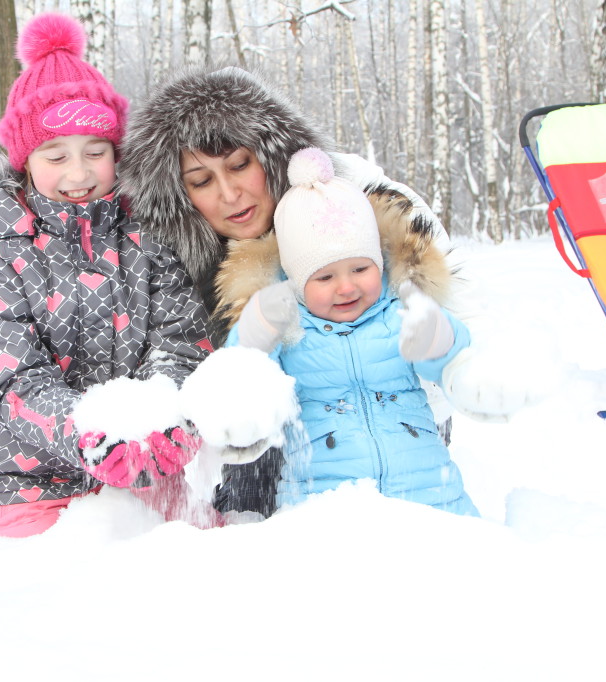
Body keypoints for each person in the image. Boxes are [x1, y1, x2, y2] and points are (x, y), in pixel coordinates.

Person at [118, 65, 455, 518]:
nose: (231, 193)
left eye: (240, 165)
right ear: (180, 195)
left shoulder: (352, 200)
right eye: (202, 181)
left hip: (397, 421)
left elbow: (438, 303)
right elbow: (176, 352)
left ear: (273, 158)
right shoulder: (177, 256)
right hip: (262, 442)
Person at [0, 13, 215, 538]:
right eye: (56, 155)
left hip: (148, 468)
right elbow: (12, 377)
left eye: (95, 152)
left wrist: (162, 418)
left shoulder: (147, 228)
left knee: (191, 570)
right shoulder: (0, 244)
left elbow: (182, 338)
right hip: (36, 479)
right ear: (25, 160)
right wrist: (85, 434)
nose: (78, 174)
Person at [229, 148, 479, 515]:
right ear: (298, 284)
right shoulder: (289, 328)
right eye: (325, 277)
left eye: (361, 269)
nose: (346, 288)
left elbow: (448, 363)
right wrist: (256, 328)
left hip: (432, 498)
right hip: (326, 509)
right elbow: (245, 370)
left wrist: (437, 337)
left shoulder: (398, 313)